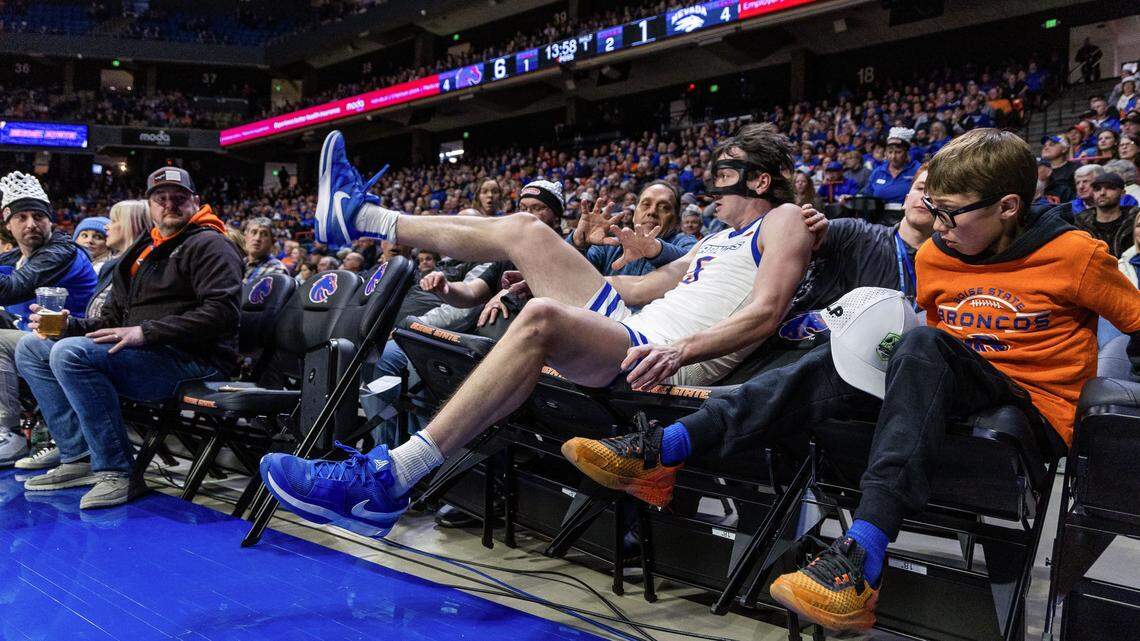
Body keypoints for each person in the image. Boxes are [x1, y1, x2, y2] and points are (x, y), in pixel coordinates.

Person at [562, 129, 1140, 632]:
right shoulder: (941, 254)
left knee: (915, 342)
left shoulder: (1077, 256)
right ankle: (666, 450)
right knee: (849, 350)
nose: (938, 226)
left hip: (1028, 413)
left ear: (1009, 206)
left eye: (951, 213)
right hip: (945, 398)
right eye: (932, 209)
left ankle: (861, 561)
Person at [259, 124, 827, 539]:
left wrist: (681, 348)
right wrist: (546, 274)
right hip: (632, 325)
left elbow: (767, 310)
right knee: (530, 231)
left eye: (725, 177)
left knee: (541, 322)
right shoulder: (716, 240)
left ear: (759, 179)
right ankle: (361, 217)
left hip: (660, 354)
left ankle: (389, 478)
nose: (714, 191)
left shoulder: (784, 220)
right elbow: (642, 288)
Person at [15, 166, 243, 509]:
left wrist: (145, 332)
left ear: (195, 202)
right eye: (160, 198)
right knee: (32, 347)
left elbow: (223, 313)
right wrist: (70, 326)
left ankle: (118, 472)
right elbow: (112, 321)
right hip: (146, 353)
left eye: (178, 198)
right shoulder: (143, 251)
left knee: (70, 355)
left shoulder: (210, 244)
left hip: (195, 361)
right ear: (149, 206)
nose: (169, 204)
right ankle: (78, 457)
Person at [0, 172, 99, 467]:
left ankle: (9, 432)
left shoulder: (61, 250)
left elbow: (10, 289)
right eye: (22, 217)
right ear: (8, 225)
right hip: (37, 339)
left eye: (38, 216)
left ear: (51, 220)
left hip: (72, 340)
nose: (31, 224)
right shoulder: (14, 257)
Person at [569, 180, 697, 278]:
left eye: (664, 207)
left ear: (676, 220)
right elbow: (572, 274)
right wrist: (577, 243)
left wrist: (656, 249)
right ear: (634, 213)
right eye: (646, 204)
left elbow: (695, 264)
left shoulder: (686, 243)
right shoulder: (609, 245)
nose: (652, 212)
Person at [1075, 172, 1138, 257]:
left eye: (1110, 188)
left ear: (1122, 193)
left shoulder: (1135, 220)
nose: (1102, 193)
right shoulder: (1080, 224)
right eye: (1097, 189)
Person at [861, 128, 921, 205]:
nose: (893, 157)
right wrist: (850, 198)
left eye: (898, 152)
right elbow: (866, 194)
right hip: (880, 215)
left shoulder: (918, 170)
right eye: (890, 152)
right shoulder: (878, 171)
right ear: (885, 153)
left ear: (907, 152)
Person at [242, 217, 287, 285]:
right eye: (253, 232)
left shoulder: (277, 270)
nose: (257, 238)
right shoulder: (239, 263)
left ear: (272, 242)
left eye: (264, 234)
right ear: (245, 237)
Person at [1040, 135, 1077, 204]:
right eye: (1044, 146)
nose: (1046, 148)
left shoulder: (1075, 168)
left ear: (1064, 149)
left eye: (1052, 145)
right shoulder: (1038, 169)